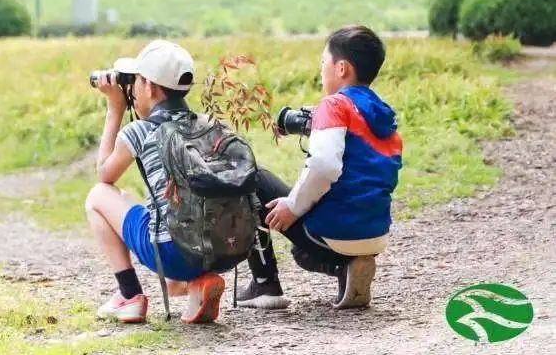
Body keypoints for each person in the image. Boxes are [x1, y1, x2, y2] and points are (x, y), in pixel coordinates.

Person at [237, 25, 403, 310]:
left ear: (341, 68)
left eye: (323, 63)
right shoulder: (382, 114)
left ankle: (265, 284)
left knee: (250, 176)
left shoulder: (335, 106)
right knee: (304, 250)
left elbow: (324, 166)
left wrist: (293, 205)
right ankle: (348, 269)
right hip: (375, 232)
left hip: (337, 232)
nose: (321, 70)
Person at [85, 40, 226, 324]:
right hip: (222, 248)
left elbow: (104, 175)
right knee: (138, 201)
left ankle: (129, 296)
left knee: (99, 196)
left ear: (149, 87)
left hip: (172, 253)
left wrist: (115, 108)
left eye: (136, 81)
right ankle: (191, 283)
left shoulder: (140, 130)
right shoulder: (208, 123)